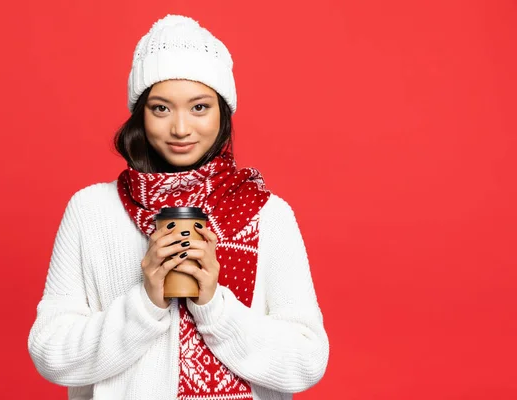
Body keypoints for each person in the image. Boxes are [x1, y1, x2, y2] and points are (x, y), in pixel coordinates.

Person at [28, 14, 329, 400]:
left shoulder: (265, 214)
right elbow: (52, 355)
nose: (181, 129)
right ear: (141, 114)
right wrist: (145, 304)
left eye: (200, 107)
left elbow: (306, 361)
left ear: (223, 112)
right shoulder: (92, 211)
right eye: (161, 108)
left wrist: (214, 306)